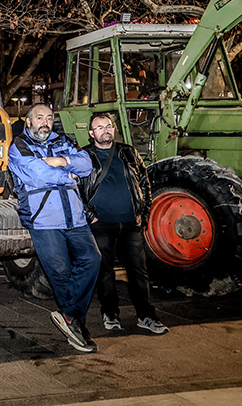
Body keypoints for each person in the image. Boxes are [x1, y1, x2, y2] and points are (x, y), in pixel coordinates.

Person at [8, 103, 101, 353]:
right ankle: (77, 325)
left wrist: (61, 160)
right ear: (28, 122)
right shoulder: (19, 147)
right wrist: (66, 174)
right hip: (44, 220)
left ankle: (69, 316)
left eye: (49, 118)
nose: (45, 122)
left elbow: (86, 164)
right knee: (61, 273)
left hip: (75, 217)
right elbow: (36, 174)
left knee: (92, 259)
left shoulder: (64, 142)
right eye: (39, 118)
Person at [79, 113, 168, 335]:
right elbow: (74, 189)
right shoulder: (84, 156)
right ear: (91, 133)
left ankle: (146, 316)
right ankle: (110, 313)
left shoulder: (128, 152)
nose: (105, 130)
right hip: (101, 225)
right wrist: (89, 215)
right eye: (99, 127)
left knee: (138, 271)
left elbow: (144, 183)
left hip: (130, 223)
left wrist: (143, 212)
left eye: (108, 126)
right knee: (105, 271)